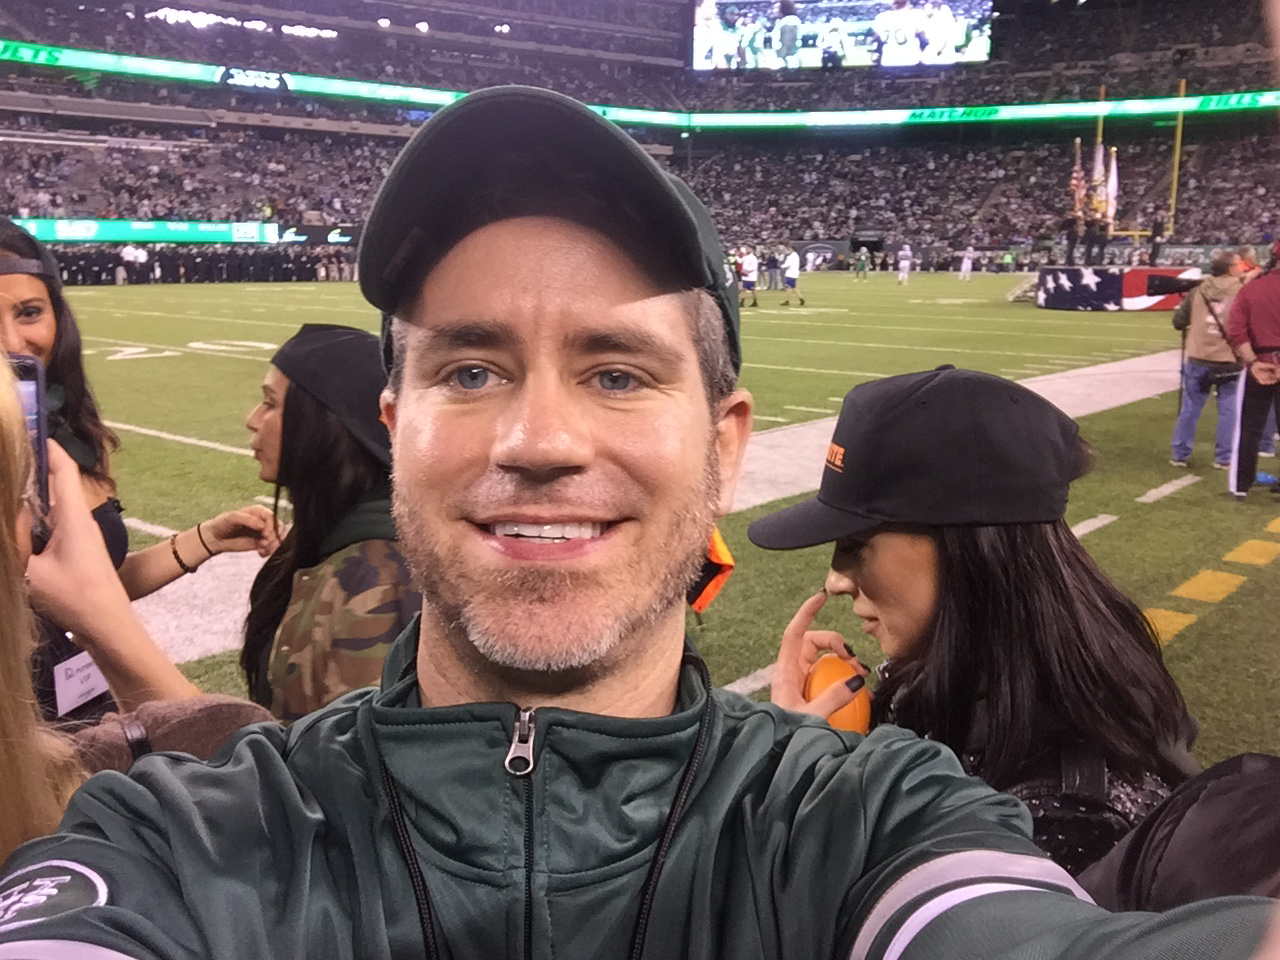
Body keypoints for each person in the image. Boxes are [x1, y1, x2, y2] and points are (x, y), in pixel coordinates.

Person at [1, 87, 1275, 960]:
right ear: (396, 424)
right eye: (469, 369)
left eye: (616, 373)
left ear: (723, 444)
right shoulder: (186, 838)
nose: (539, 439)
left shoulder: (870, 823)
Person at [753, 367, 1201, 876]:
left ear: (965, 551)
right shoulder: (967, 681)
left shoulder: (1067, 827)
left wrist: (800, 785)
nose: (835, 579)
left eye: (855, 545)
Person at [0, 218, 279, 725]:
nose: (12, 341)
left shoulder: (75, 436)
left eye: (30, 312)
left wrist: (204, 540)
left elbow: (91, 584)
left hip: (83, 707)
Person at [0, 363, 273, 864]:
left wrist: (201, 541)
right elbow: (247, 788)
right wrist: (103, 621)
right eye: (19, 498)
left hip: (69, 701)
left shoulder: (77, 435)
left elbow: (99, 575)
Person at [242, 324, 421, 722]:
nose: (252, 420)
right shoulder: (339, 541)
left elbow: (353, 753)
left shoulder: (376, 580)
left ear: (326, 427)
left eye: (270, 404)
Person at [1170, 250, 1249, 469]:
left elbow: (1178, 321)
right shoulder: (1242, 292)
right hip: (1229, 357)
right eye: (1239, 264)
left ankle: (1179, 453)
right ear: (1230, 269)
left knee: (1190, 408)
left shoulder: (1197, 290)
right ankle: (1224, 457)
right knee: (1228, 408)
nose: (1242, 268)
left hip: (1198, 355)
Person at [1225, 259, 1280, 498]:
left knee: (1248, 428)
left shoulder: (1251, 290)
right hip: (1266, 359)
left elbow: (1236, 330)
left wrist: (1254, 362)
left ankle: (1240, 485)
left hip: (1260, 362)